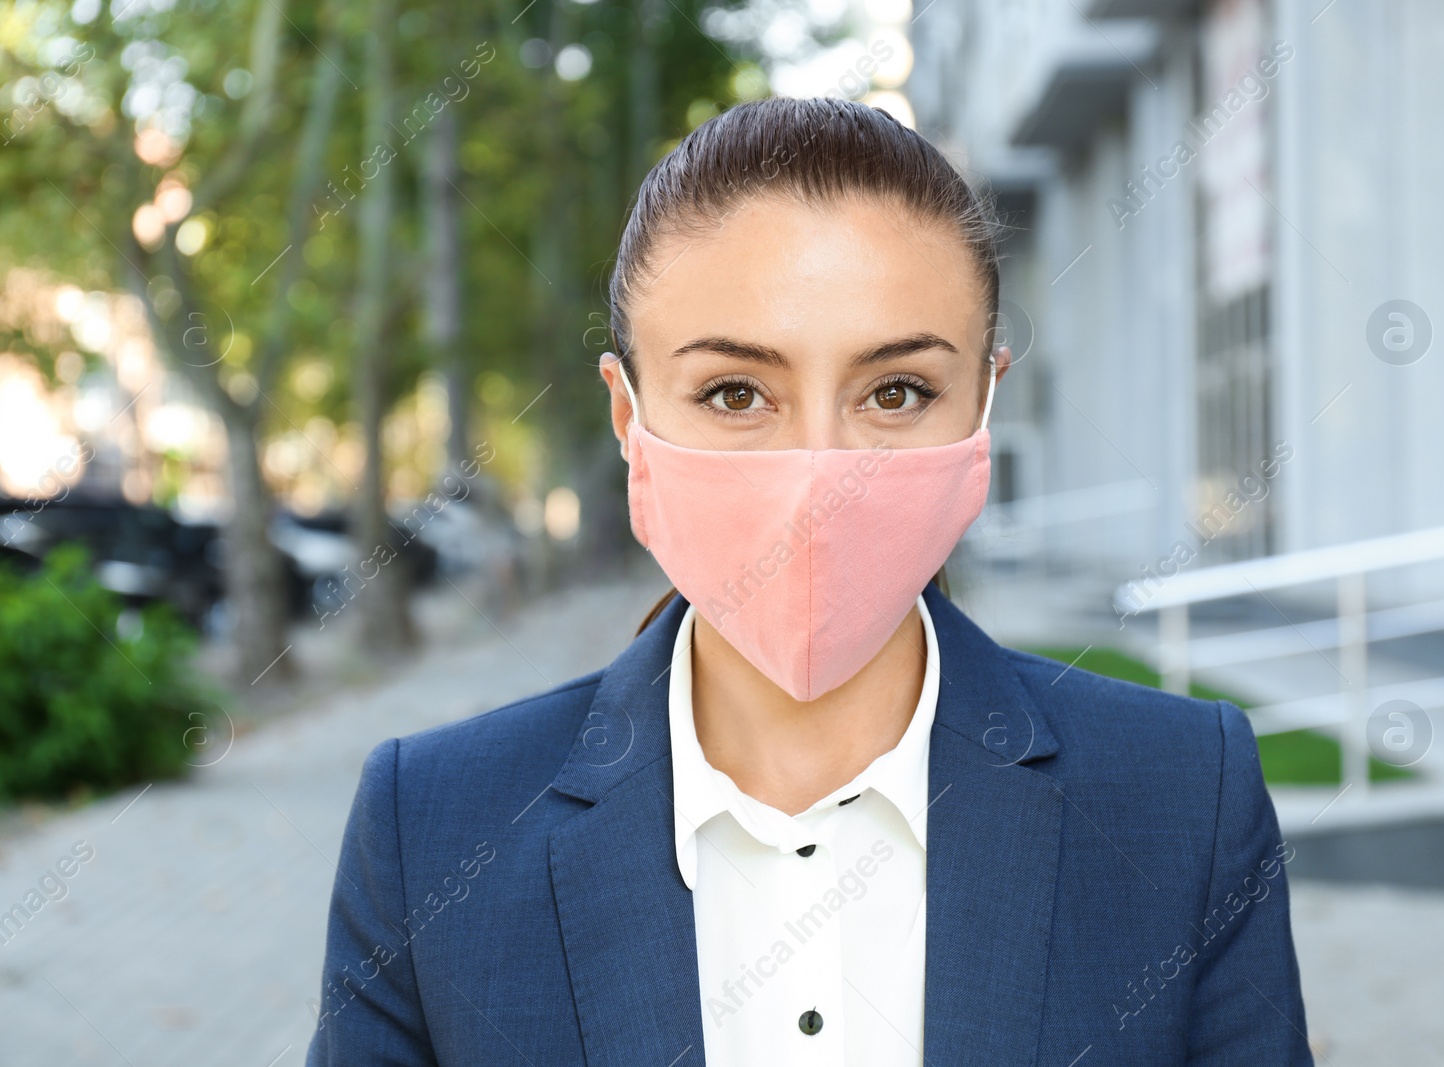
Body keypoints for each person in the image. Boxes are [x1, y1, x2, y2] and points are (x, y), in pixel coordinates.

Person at [306, 97, 1313, 1066]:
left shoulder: (1182, 798)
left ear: (982, 404)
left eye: (895, 391)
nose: (820, 474)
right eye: (736, 391)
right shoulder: (434, 828)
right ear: (629, 417)